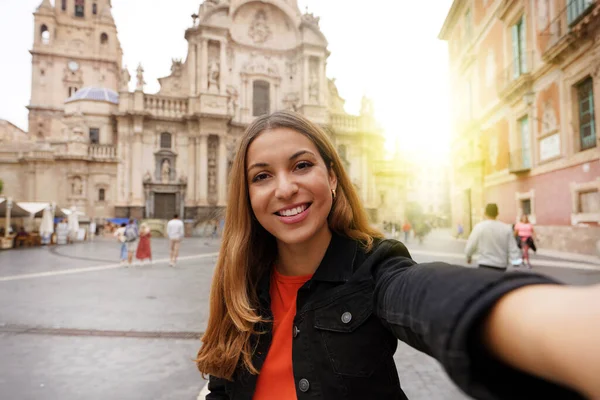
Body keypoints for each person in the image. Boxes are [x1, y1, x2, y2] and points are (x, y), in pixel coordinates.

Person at [196, 111, 600, 400]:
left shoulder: (376, 268)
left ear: (333, 178)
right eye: (262, 176)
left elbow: (424, 295)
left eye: (302, 165)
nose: (285, 188)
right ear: (246, 196)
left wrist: (548, 320)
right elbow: (221, 389)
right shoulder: (238, 286)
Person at [465, 203, 522, 272]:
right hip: (501, 265)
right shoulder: (506, 228)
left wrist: (468, 256)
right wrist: (516, 261)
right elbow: (513, 247)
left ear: (485, 213)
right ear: (497, 213)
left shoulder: (479, 227)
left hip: (484, 264)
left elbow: (472, 243)